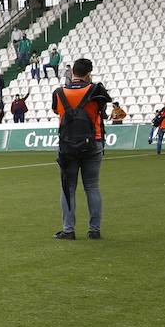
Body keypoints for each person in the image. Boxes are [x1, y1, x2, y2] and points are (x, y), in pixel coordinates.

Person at [52, 58, 112, 240]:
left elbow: (57, 111)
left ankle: (68, 230)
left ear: (72, 73)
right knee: (92, 186)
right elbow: (102, 110)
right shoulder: (95, 90)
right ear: (88, 73)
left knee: (68, 188)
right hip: (93, 142)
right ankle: (94, 229)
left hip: (68, 145)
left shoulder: (59, 92)